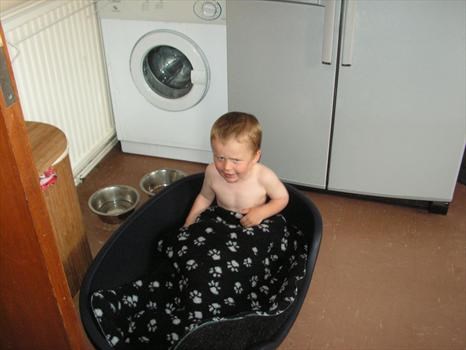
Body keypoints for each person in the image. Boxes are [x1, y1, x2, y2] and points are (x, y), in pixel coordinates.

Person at [184, 111, 289, 228]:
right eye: (220, 158)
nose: (226, 167)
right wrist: (189, 221)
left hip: (253, 223)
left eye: (236, 160)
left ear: (255, 157)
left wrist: (261, 212)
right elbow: (205, 197)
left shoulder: (263, 176)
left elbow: (282, 198)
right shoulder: (212, 172)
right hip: (220, 220)